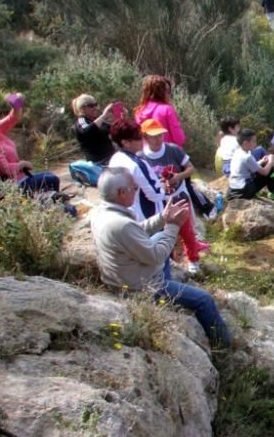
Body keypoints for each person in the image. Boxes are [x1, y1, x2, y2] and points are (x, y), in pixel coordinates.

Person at [91, 168, 231, 347]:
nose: (136, 190)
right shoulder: (121, 224)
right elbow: (156, 256)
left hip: (124, 273)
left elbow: (137, 231)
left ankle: (171, 288)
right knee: (204, 300)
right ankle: (224, 345)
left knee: (158, 238)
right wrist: (173, 226)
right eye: (134, 188)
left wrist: (163, 218)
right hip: (140, 287)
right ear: (121, 192)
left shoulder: (101, 213)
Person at [141, 119, 208, 275]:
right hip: (158, 201)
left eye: (160, 135)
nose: (158, 139)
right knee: (161, 232)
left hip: (178, 196)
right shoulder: (141, 156)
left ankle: (193, 261)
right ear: (145, 137)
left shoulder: (173, 150)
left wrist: (178, 177)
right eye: (153, 136)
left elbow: (191, 168)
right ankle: (166, 263)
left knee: (186, 231)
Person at [0, 96, 61, 199]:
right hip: (10, 188)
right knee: (51, 179)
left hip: (21, 179)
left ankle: (50, 203)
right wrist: (23, 164)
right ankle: (50, 205)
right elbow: (6, 169)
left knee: (49, 176)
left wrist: (15, 101)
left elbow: (14, 117)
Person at [109, 119, 167, 221]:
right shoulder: (137, 164)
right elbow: (155, 195)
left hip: (126, 215)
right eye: (138, 137)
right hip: (147, 218)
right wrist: (163, 186)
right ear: (125, 142)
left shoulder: (114, 159)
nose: (142, 140)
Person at [228, 129, 274, 203]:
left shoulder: (238, 152)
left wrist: (262, 161)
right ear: (246, 143)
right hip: (244, 190)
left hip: (234, 190)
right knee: (272, 172)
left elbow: (249, 166)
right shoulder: (247, 157)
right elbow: (265, 172)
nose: (256, 144)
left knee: (266, 167)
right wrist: (271, 161)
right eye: (254, 141)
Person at [134, 75, 186, 147]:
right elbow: (179, 139)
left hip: (146, 154)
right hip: (166, 154)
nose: (169, 95)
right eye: (167, 91)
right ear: (160, 93)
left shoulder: (139, 111)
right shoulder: (167, 110)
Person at [71, 94, 116, 165]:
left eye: (95, 104)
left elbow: (115, 130)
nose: (95, 108)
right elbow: (88, 131)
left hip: (111, 159)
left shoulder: (97, 121)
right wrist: (104, 115)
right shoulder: (81, 121)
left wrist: (121, 117)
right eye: (91, 105)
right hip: (98, 163)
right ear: (82, 108)